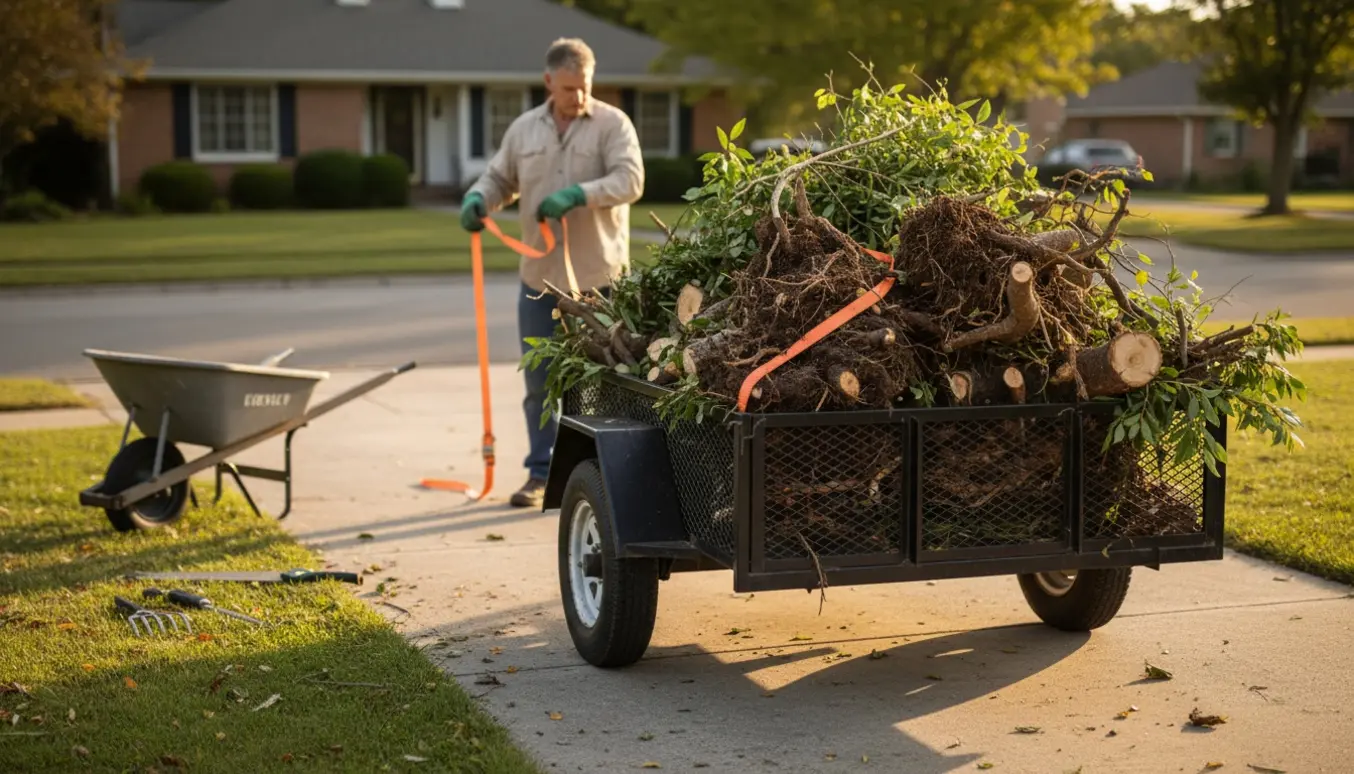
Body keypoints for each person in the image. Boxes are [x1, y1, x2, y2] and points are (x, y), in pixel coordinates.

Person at [458, 37, 644, 508]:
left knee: (608, 380)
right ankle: (541, 475)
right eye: (568, 88)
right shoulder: (524, 130)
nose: (578, 97)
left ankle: (610, 478)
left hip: (599, 282)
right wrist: (479, 198)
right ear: (548, 82)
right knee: (540, 381)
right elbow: (501, 179)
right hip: (539, 282)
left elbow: (631, 179)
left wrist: (580, 194)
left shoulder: (612, 124)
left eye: (584, 86)